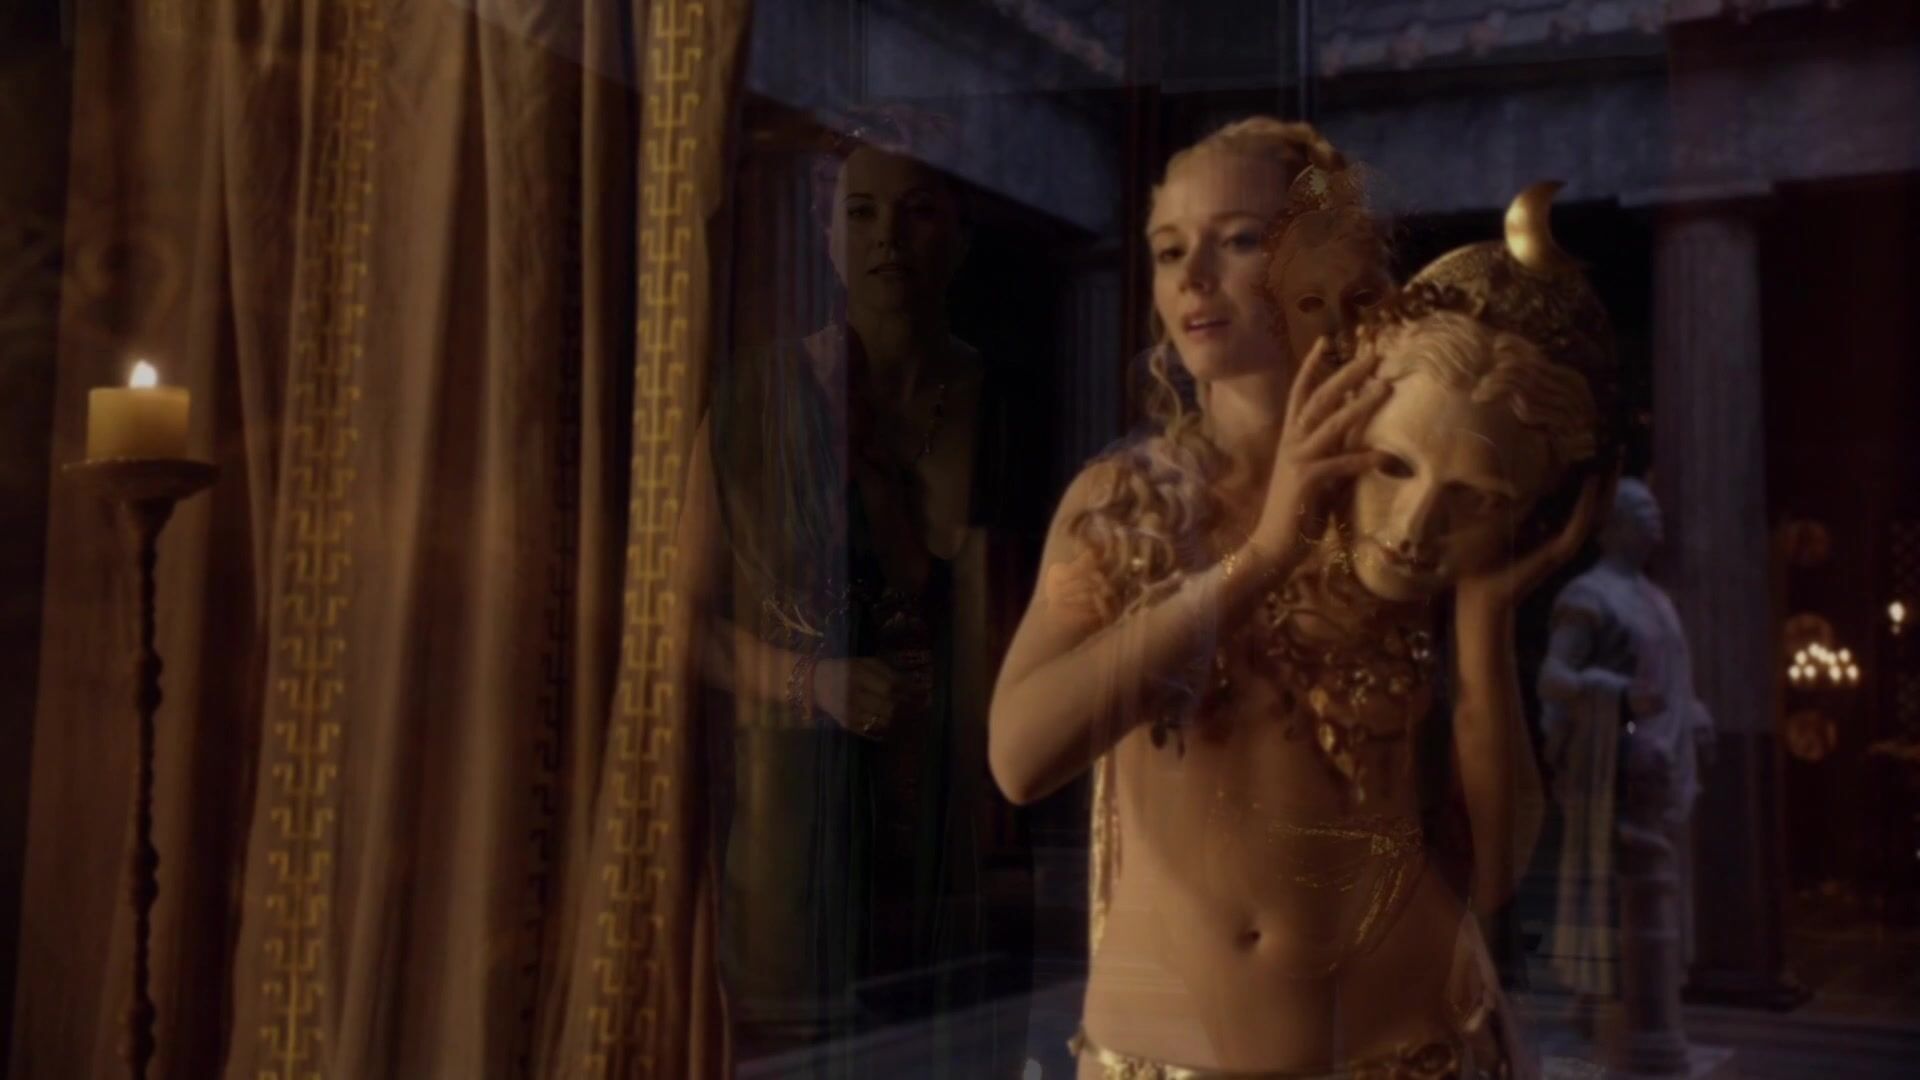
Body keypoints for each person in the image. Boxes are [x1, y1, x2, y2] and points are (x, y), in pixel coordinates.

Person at [991, 162, 1617, 1076]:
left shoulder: (1411, 550)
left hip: (1410, 1049)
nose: (1416, 525)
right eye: (1173, 251)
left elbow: (1489, 877)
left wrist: (1484, 617)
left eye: (1243, 243)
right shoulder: (1133, 503)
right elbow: (1018, 759)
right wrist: (1261, 556)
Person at [682, 111, 1031, 1072]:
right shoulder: (755, 399)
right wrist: (813, 683)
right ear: (826, 230)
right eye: (862, 212)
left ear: (958, 235)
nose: (887, 240)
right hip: (797, 837)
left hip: (959, 844)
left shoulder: (1002, 405)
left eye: (917, 212)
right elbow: (678, 624)